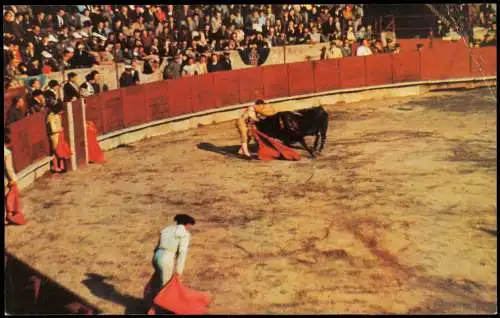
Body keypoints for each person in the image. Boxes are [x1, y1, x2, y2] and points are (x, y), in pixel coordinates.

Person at [153, 214, 196, 287]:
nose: (189, 227)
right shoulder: (184, 234)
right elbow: (182, 253)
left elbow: (157, 247)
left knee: (157, 281)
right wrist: (179, 272)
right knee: (165, 286)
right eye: (189, 225)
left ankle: (151, 297)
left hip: (156, 256)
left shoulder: (166, 229)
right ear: (187, 224)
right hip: (166, 257)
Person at [47, 101, 72, 173]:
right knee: (56, 151)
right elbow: (53, 129)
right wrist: (60, 129)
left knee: (60, 150)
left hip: (58, 135)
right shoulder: (52, 117)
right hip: (55, 136)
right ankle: (55, 167)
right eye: (61, 111)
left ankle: (60, 166)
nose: (62, 112)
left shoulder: (57, 115)